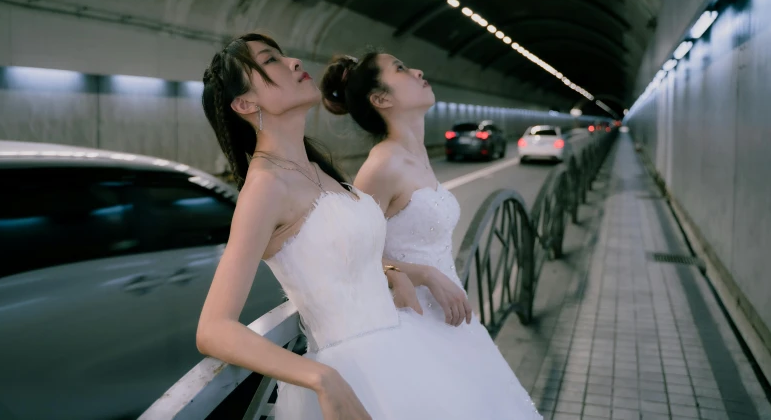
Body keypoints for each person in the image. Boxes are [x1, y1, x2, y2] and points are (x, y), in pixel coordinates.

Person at [196, 33, 542, 420]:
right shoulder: (264, 187)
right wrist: (320, 377)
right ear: (245, 103)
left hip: (404, 350)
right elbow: (213, 328)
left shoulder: (318, 171)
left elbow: (343, 254)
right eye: (271, 61)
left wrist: (396, 272)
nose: (293, 61)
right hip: (356, 373)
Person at [322, 51, 540, 413]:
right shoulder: (382, 166)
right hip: (414, 327)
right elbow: (348, 254)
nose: (419, 69)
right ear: (381, 99)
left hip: (453, 321)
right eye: (402, 68)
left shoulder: (417, 156)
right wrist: (423, 274)